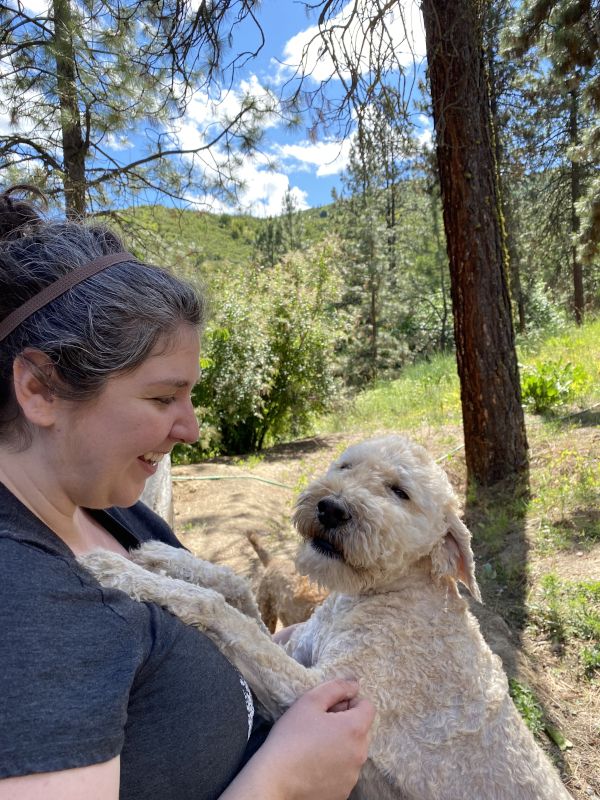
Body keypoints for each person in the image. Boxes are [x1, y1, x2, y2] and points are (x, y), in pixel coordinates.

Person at [0, 186, 375, 800]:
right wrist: (283, 782)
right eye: (161, 397)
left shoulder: (115, 515)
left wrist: (291, 650)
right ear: (41, 388)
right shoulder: (23, 597)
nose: (193, 428)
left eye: (190, 395)